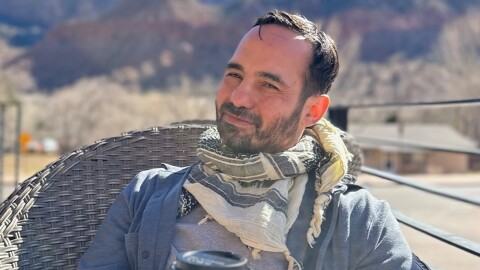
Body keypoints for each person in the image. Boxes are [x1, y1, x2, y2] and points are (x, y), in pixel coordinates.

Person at [78, 10, 429, 270]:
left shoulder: (358, 221)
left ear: (312, 111)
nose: (239, 97)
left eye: (269, 85)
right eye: (235, 74)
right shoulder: (146, 194)